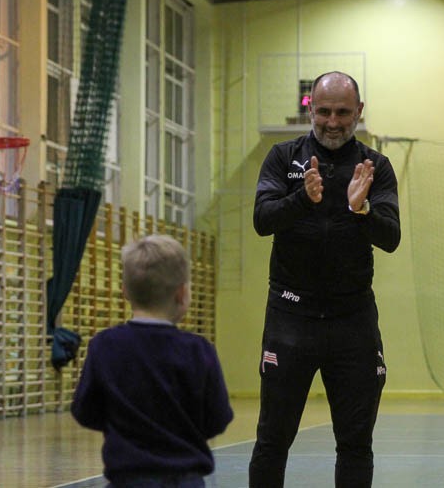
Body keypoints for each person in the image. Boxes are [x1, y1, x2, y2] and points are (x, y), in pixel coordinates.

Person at [249, 71, 401, 487]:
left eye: (343, 112)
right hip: (290, 318)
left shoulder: (376, 167)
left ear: (359, 112)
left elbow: (391, 239)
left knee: (355, 443)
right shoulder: (283, 158)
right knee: (272, 439)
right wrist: (302, 199)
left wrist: (362, 210)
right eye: (324, 112)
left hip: (352, 323)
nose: (333, 122)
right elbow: (262, 220)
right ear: (310, 110)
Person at [71, 234, 233, 487]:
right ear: (182, 294)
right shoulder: (199, 351)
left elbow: (85, 411)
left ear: (125, 291)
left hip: (127, 480)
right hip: (184, 480)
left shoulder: (104, 346)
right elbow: (218, 417)